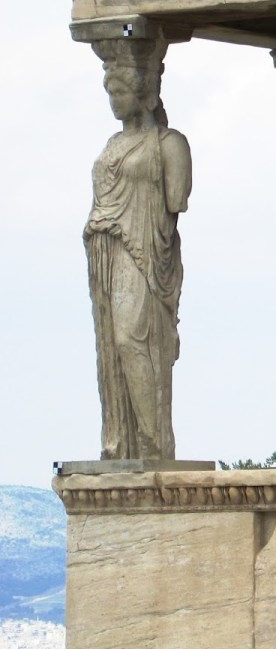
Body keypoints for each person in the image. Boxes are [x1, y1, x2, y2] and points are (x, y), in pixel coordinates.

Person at [85, 55, 192, 459]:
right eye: (110, 92)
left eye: (121, 92)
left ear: (145, 94)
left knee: (132, 339)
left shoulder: (170, 144)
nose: (114, 101)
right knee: (111, 345)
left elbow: (176, 199)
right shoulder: (112, 144)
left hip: (144, 251)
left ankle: (153, 443)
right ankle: (123, 443)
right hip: (105, 250)